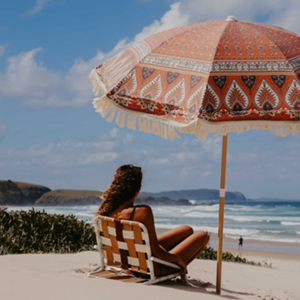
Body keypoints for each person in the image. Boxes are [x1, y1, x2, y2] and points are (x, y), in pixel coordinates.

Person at [96, 164, 210, 277]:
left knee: (187, 229)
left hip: (126, 261)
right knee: (203, 235)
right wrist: (178, 259)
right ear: (138, 190)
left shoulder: (107, 211)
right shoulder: (142, 212)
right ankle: (178, 270)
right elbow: (156, 252)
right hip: (149, 268)